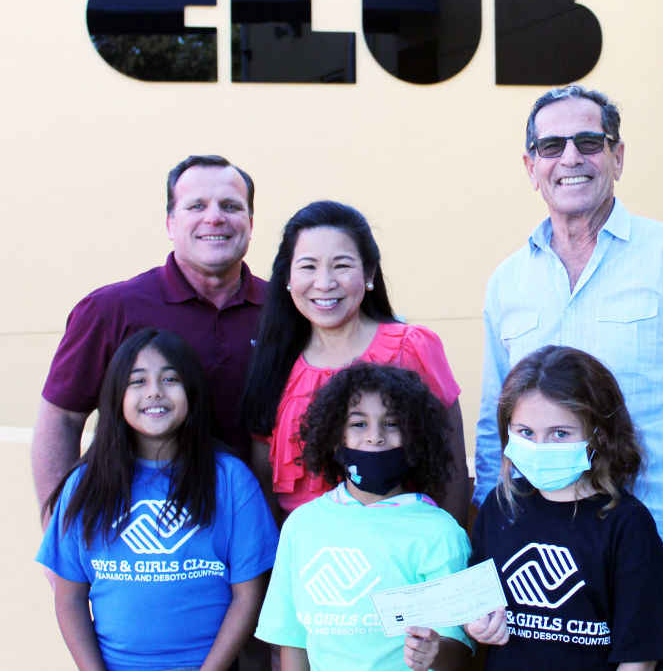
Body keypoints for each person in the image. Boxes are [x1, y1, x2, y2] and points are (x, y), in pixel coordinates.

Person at [474, 85, 663, 668]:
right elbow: (490, 429)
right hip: (543, 560)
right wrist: (484, 561)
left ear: (617, 157)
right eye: (551, 145)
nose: (570, 157)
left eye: (588, 142)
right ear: (531, 167)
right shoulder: (508, 282)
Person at [32, 154, 265, 510]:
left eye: (230, 206)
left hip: (262, 535)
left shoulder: (284, 310)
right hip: (134, 541)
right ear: (171, 223)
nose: (214, 216)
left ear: (249, 222)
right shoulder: (111, 309)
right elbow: (61, 417)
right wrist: (56, 528)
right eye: (196, 205)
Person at [37, 329, 278, 671]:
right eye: (137, 381)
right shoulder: (84, 484)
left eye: (170, 379)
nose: (154, 392)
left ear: (192, 392)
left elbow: (248, 595)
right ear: (116, 396)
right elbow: (70, 599)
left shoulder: (230, 479)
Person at [243, 200, 469, 525]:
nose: (324, 283)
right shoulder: (274, 362)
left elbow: (452, 466)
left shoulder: (413, 347)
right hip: (310, 562)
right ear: (288, 277)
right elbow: (264, 480)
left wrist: (452, 556)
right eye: (308, 266)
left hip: (405, 556)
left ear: (369, 272)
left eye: (341, 265)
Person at [467, 345, 663, 671]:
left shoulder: (627, 524)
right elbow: (473, 606)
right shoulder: (500, 507)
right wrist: (476, 625)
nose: (540, 447)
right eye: (525, 432)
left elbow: (639, 655)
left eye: (560, 433)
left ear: (598, 434)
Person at [256, 363, 472, 671]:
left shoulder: (441, 532)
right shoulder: (301, 526)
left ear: (415, 438)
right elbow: (292, 641)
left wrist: (435, 650)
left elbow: (458, 652)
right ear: (334, 437)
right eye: (359, 424)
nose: (375, 437)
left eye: (392, 423)